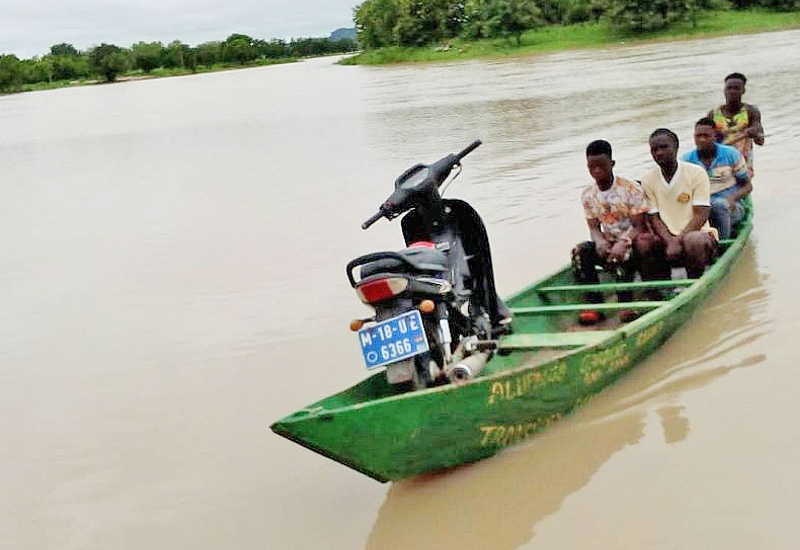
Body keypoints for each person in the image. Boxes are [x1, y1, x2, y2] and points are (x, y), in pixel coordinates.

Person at [572, 140, 649, 324]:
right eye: (592, 167)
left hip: (632, 242)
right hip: (609, 242)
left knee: (623, 255)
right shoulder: (588, 195)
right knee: (580, 252)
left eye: (601, 166)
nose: (596, 171)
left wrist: (623, 242)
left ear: (612, 164)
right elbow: (593, 227)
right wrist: (599, 241)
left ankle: (626, 304)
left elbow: (639, 226)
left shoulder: (630, 188)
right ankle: (595, 305)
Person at [638, 128, 716, 281]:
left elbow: (701, 215)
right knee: (643, 242)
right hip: (666, 237)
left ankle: (693, 283)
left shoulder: (696, 173)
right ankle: (658, 288)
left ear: (676, 147)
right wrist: (670, 241)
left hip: (697, 234)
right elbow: (654, 219)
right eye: (654, 149)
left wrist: (678, 240)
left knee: (693, 240)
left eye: (664, 147)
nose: (659, 153)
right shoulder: (648, 179)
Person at [682, 117, 751, 239]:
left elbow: (747, 185)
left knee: (718, 205)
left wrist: (732, 198)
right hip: (702, 207)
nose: (702, 140)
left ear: (715, 136)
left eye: (706, 136)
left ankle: (722, 242)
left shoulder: (731, 155)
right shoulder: (686, 160)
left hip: (730, 206)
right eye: (698, 136)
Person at [707, 72, 765, 179]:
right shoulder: (713, 114)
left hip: (742, 165)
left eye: (736, 88)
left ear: (743, 91)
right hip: (720, 165)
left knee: (742, 193)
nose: (732, 92)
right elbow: (706, 141)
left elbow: (760, 141)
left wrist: (755, 133)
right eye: (729, 88)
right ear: (724, 90)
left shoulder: (751, 112)